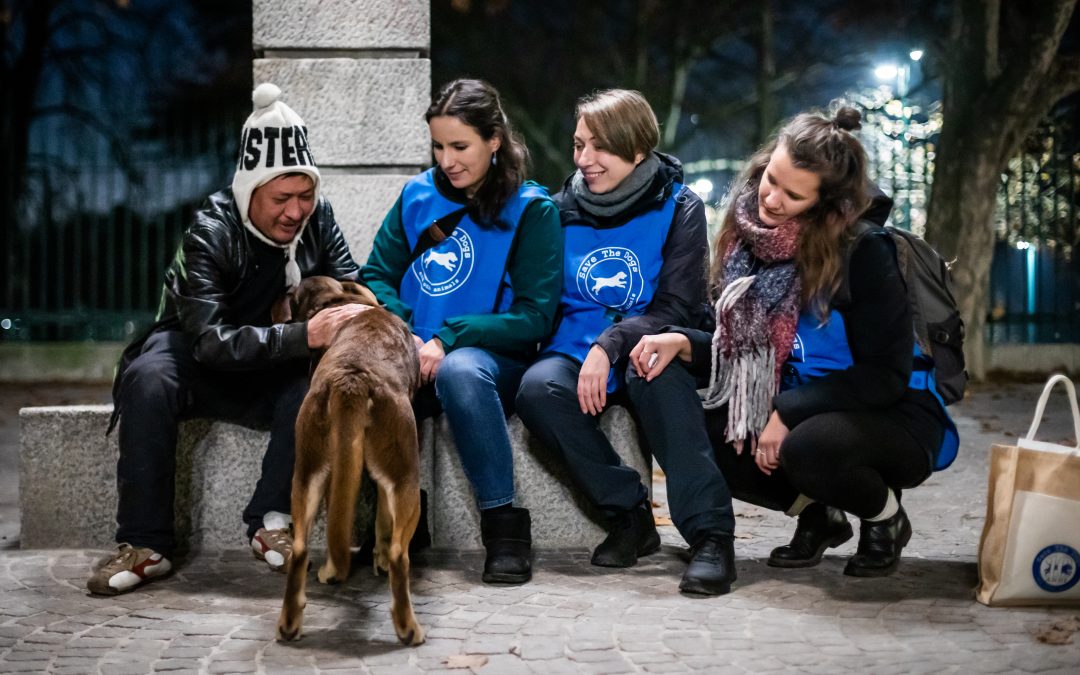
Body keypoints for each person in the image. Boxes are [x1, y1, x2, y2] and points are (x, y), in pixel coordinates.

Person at [629, 106, 957, 583]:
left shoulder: (864, 251)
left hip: (894, 413)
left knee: (808, 447)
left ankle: (886, 518)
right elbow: (743, 351)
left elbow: (884, 376)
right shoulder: (752, 240)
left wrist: (785, 412)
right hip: (805, 402)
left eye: (793, 194)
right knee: (687, 415)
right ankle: (819, 513)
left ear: (826, 204)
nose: (772, 199)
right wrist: (684, 343)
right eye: (771, 179)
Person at [87, 84, 364, 596]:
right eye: (282, 198)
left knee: (320, 382)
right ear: (249, 191)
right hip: (197, 357)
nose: (296, 211)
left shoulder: (318, 219)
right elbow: (211, 340)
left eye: (306, 195)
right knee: (148, 376)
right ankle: (145, 544)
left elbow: (351, 287)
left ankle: (271, 523)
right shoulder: (211, 229)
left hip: (272, 364)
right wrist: (305, 333)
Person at [515, 89, 737, 594]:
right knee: (538, 389)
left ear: (638, 150)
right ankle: (630, 515)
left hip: (648, 342)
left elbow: (677, 306)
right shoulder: (557, 209)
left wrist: (611, 343)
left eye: (600, 147)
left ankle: (710, 537)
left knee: (656, 372)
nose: (584, 160)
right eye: (578, 146)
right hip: (573, 348)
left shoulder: (680, 205)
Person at [360, 79, 562, 585]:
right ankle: (402, 520)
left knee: (461, 371)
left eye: (459, 146)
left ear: (494, 140)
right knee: (358, 379)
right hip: (415, 348)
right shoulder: (417, 195)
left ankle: (505, 528)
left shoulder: (532, 209)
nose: (446, 159)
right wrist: (404, 331)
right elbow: (375, 275)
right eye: (437, 145)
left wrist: (449, 336)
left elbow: (535, 315)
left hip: (493, 357)